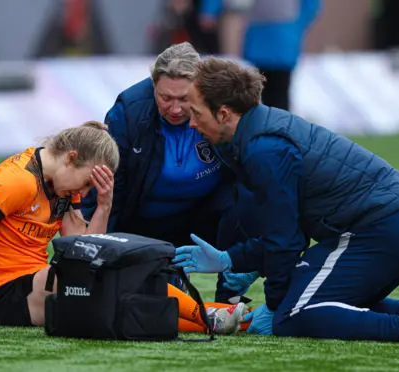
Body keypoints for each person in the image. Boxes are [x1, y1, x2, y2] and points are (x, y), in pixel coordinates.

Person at [172, 57, 399, 344]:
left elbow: (286, 240)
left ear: (225, 114)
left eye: (197, 113)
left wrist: (276, 305)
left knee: (293, 315)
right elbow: (288, 235)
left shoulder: (264, 148)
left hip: (385, 228)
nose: (191, 123)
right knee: (321, 302)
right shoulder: (260, 134)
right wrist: (229, 259)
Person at [0, 120, 246, 334]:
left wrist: (103, 205)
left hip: (38, 279)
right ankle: (209, 317)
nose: (84, 192)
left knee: (114, 297)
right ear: (71, 157)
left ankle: (224, 317)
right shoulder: (17, 181)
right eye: (87, 183)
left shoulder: (63, 185)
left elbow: (87, 249)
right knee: (106, 288)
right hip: (2, 294)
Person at [80, 42, 262, 302]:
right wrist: (92, 255)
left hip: (205, 218)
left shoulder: (224, 107)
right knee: (155, 298)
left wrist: (246, 256)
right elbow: (108, 187)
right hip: (144, 225)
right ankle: (167, 273)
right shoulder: (129, 113)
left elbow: (253, 175)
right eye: (165, 98)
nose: (175, 110)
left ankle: (229, 298)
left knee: (250, 198)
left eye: (184, 99)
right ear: (153, 86)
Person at [198, 0, 320, 110]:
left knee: (273, 95)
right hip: (268, 41)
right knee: (264, 97)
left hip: (277, 41)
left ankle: (275, 131)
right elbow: (311, 7)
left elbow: (311, 6)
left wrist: (209, 10)